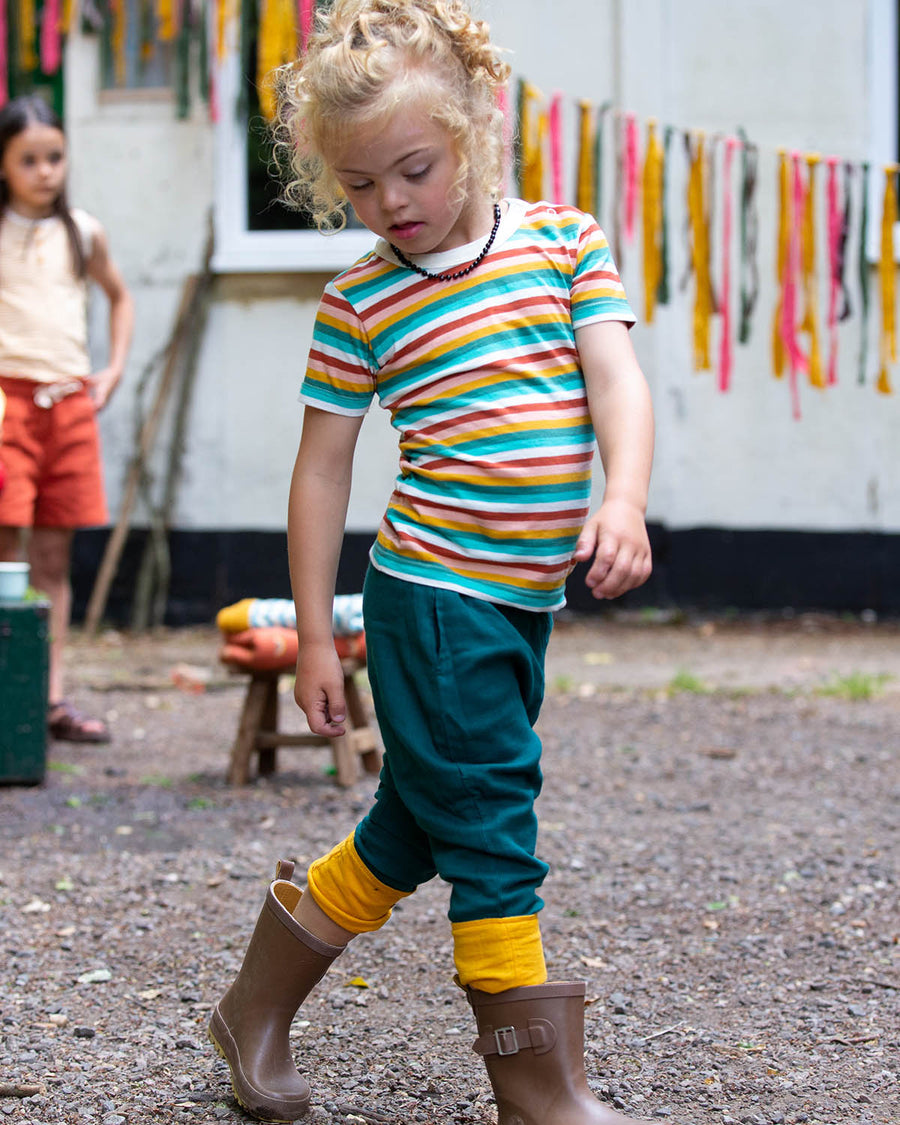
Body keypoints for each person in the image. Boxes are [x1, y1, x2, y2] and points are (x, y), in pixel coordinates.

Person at [209, 2, 655, 1122]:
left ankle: (249, 1012)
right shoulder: (360, 301)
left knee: (415, 823)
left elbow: (616, 382)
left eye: (413, 167)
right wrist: (316, 630)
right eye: (360, 186)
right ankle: (538, 1087)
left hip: (518, 602)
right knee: (494, 821)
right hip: (434, 600)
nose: (391, 202)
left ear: (477, 128)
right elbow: (322, 472)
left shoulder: (564, 243)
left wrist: (628, 498)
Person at [0, 96, 134, 743]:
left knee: (54, 562)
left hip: (70, 405)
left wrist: (110, 371)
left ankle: (48, 698)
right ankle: (8, 693)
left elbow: (120, 297)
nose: (45, 170)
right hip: (6, 407)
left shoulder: (82, 232)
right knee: (6, 558)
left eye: (54, 156)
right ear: (4, 165)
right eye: (28, 159)